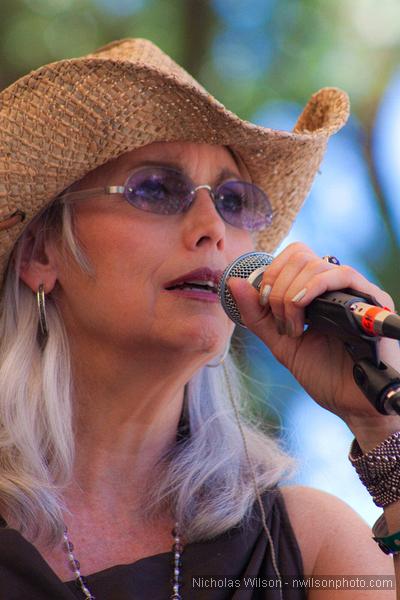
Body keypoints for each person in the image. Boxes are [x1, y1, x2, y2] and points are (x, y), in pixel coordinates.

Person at [0, 38, 398, 600]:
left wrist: (384, 429)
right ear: (42, 254)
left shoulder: (311, 546)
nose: (212, 226)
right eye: (157, 189)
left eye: (234, 201)